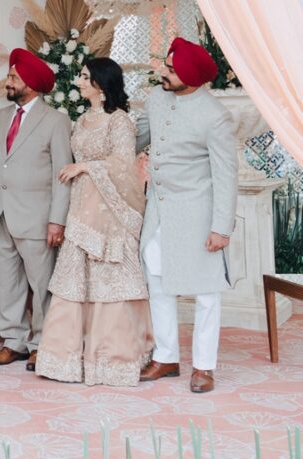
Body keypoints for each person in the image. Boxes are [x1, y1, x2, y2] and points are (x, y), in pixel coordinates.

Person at [35, 58, 152, 386]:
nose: (80, 82)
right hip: (81, 206)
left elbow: (123, 164)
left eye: (86, 77)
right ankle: (67, 361)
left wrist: (85, 167)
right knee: (76, 281)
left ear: (101, 83)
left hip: (108, 211)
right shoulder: (82, 119)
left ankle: (112, 361)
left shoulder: (119, 121)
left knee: (107, 281)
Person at [136, 37, 237, 394]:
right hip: (158, 212)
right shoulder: (156, 98)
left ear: (191, 77)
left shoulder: (214, 115)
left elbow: (225, 175)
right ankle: (166, 357)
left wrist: (221, 228)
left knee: (206, 292)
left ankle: (204, 367)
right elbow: (136, 138)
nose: (162, 73)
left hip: (197, 214)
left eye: (171, 70)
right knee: (158, 282)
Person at [0, 48, 73, 370]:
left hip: (38, 218)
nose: (7, 82)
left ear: (30, 83)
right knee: (7, 284)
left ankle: (41, 344)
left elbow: (62, 175)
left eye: (13, 77)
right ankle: (13, 341)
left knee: (42, 285)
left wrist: (57, 220)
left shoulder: (56, 121)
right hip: (1, 215)